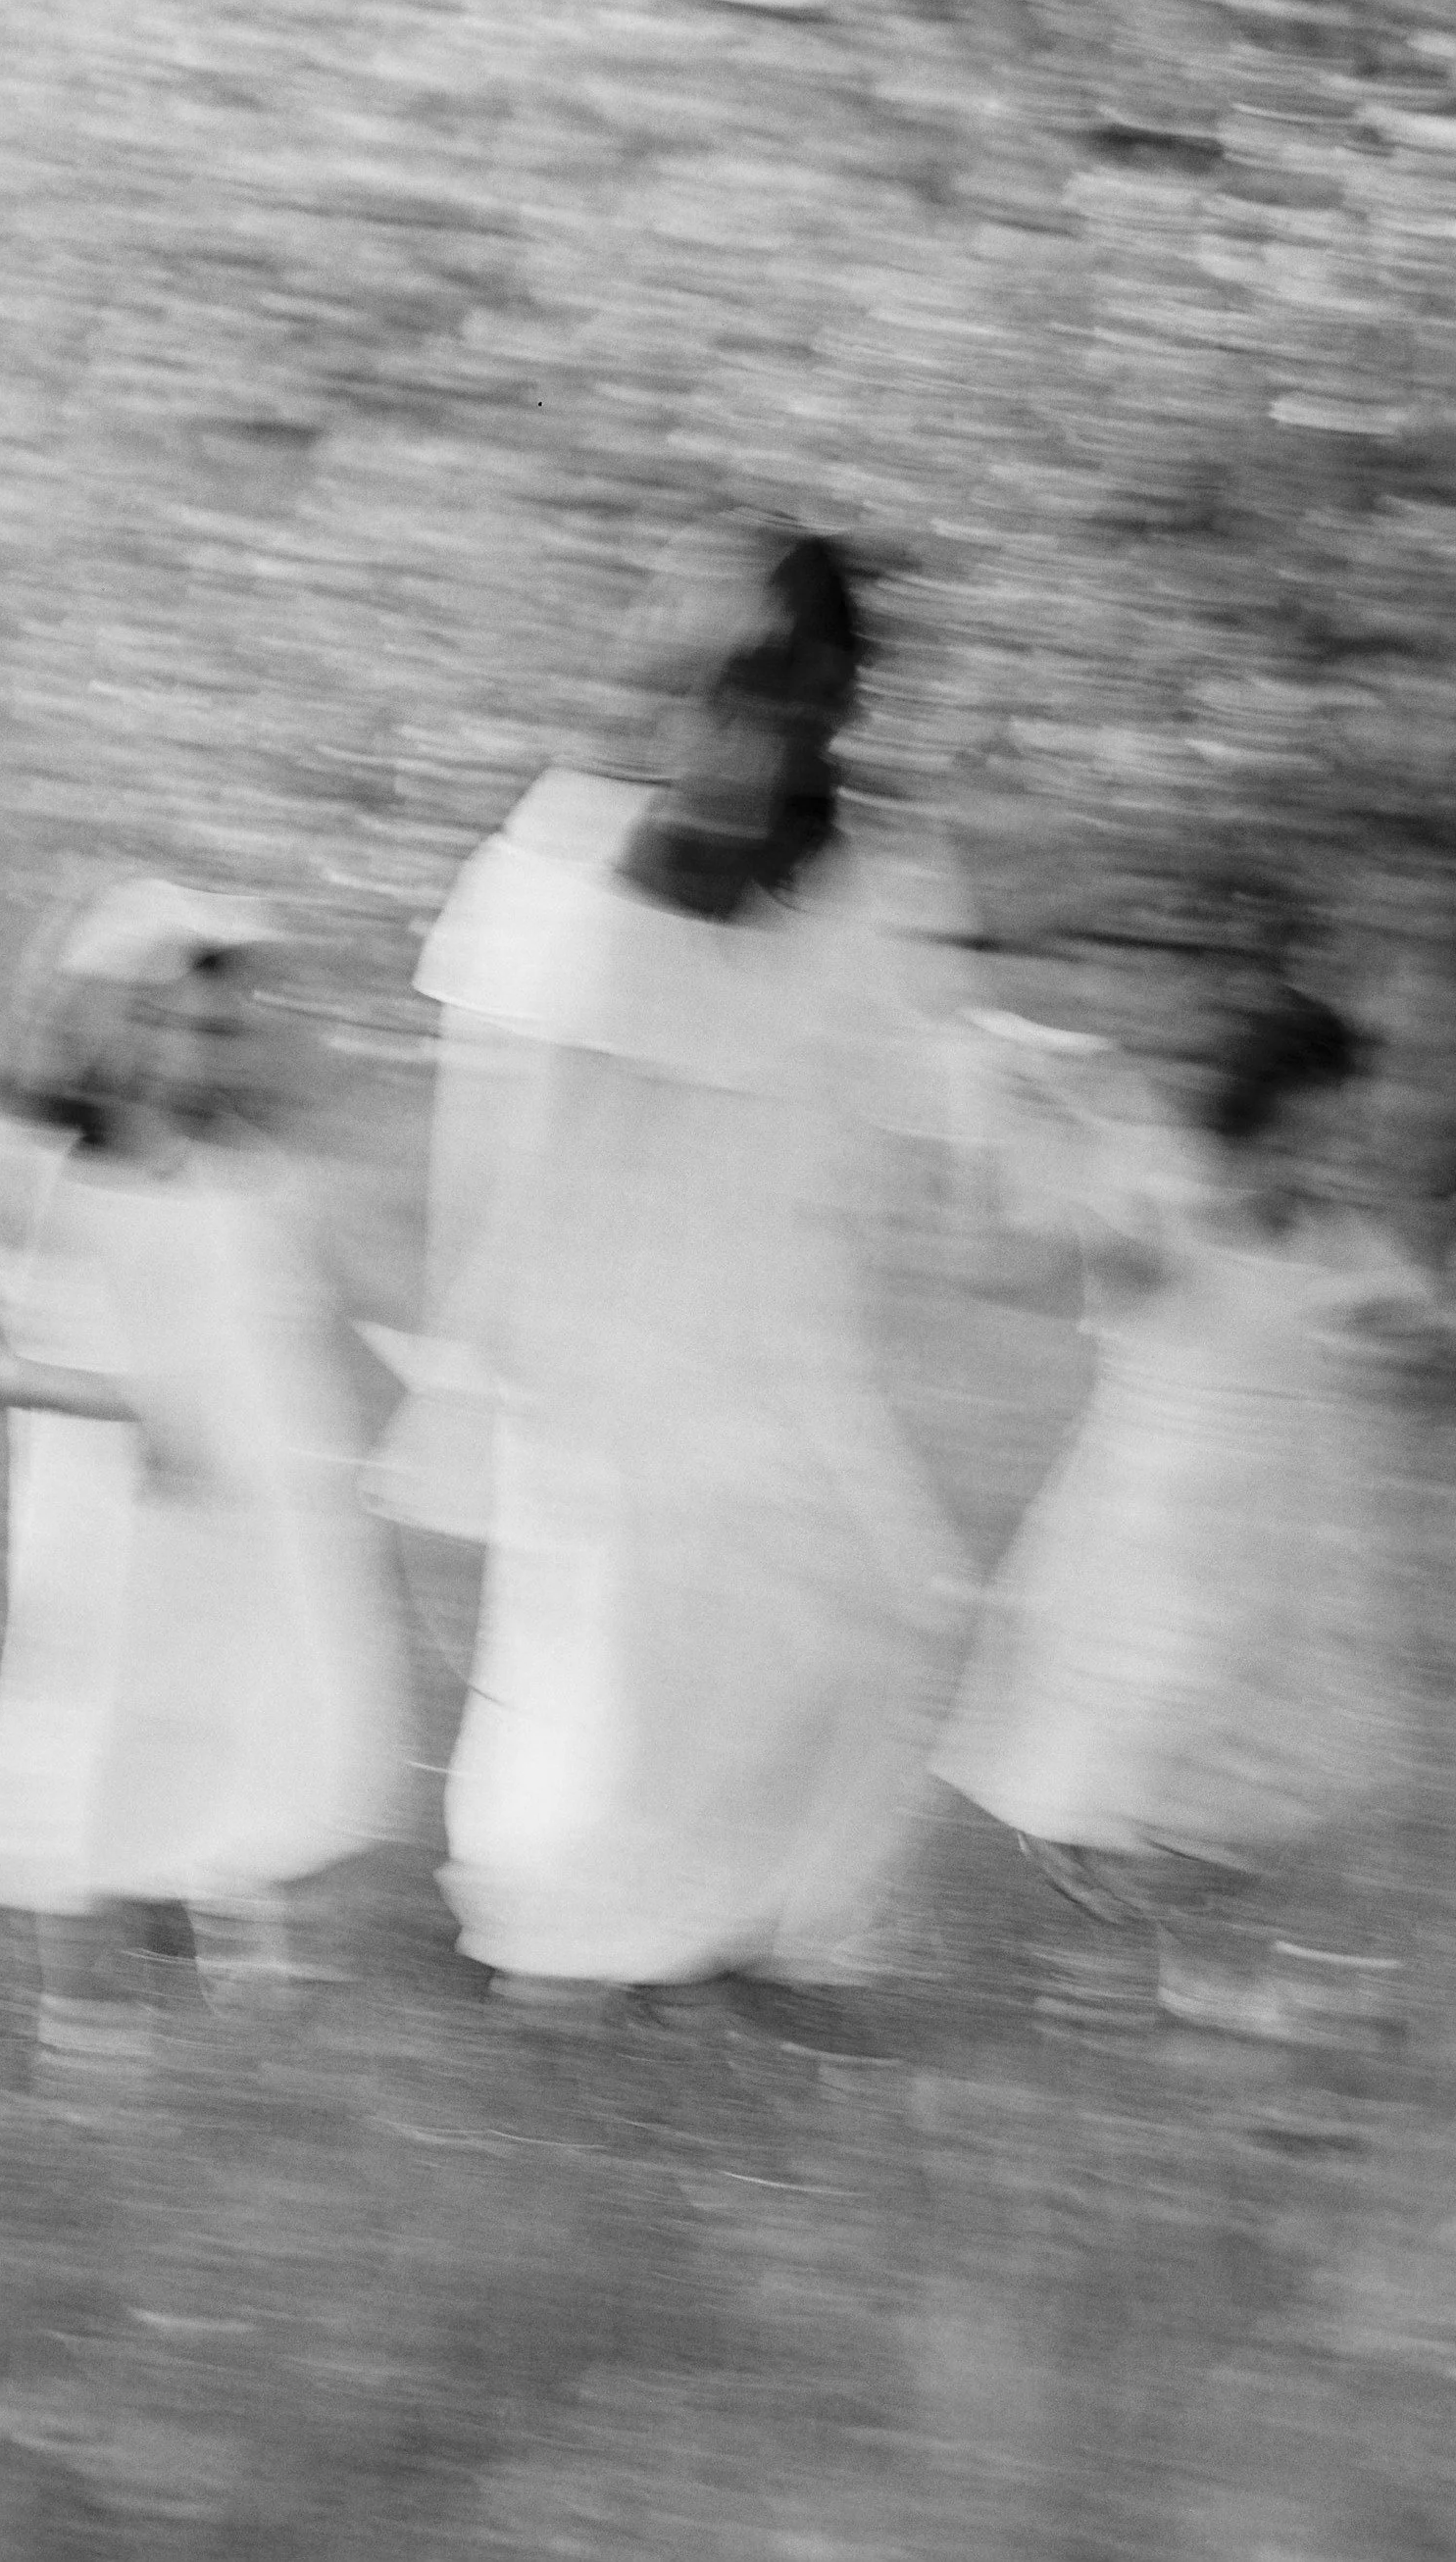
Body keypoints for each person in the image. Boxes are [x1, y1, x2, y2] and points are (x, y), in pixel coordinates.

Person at [378, 514, 982, 2037]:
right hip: (600, 1313)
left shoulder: (877, 873)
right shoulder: (564, 853)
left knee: (879, 1605)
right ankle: (571, 1940)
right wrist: (468, 1363)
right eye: (714, 688)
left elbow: (908, 1085)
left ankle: (739, 1917)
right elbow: (497, 1130)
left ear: (836, 696)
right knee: (621, 1645)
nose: (738, 722)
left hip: (777, 1304)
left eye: (780, 689)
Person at [0, 880, 409, 2076]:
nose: (179, 1049)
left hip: (269, 1494)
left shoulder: (256, 1161)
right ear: (86, 1015)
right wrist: (111, 1399)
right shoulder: (18, 1157)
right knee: (97, 1716)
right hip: (114, 1500)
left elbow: (347, 1297)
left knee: (258, 1697)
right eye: (151, 1017)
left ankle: (234, 1921)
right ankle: (83, 2005)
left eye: (211, 1025)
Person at [933, 986, 1447, 2041]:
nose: (1350, 1138)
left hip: (1289, 1531)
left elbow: (1410, 1319)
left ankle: (1192, 1963)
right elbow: (1041, 1254)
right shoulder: (1170, 1199)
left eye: (1353, 1118)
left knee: (1268, 1758)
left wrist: (1392, 1318)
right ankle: (1118, 1941)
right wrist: (1037, 1112)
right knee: (1161, 1732)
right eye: (1332, 1114)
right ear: (1279, 1103)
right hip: (1160, 1516)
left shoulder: (1331, 1227)